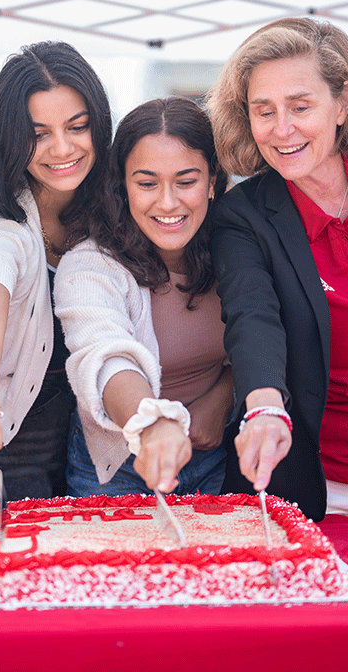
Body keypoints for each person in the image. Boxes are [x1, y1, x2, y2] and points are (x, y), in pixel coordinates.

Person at [206, 17, 348, 532]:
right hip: (312, 483)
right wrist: (263, 408)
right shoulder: (244, 215)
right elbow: (252, 319)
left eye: (300, 107)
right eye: (264, 111)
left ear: (343, 103)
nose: (282, 130)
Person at [0, 41, 115, 500]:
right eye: (38, 133)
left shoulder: (115, 212)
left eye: (77, 127)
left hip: (103, 449)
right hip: (15, 448)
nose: (62, 148)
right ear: (10, 138)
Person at [54, 97, 232, 496]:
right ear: (122, 184)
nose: (168, 203)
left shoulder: (237, 248)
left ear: (213, 181)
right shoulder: (89, 264)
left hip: (216, 451)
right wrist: (154, 425)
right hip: (118, 465)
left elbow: (265, 332)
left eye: (186, 181)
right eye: (147, 183)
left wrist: (223, 394)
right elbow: (105, 354)